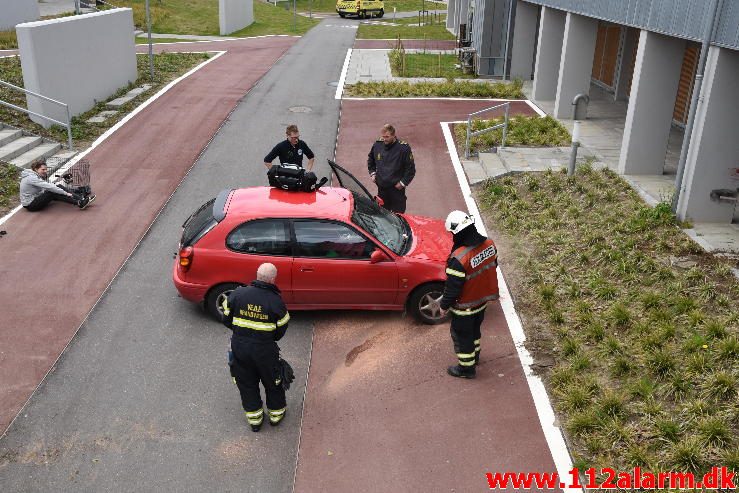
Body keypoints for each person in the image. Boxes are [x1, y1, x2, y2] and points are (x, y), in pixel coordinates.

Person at [221, 263, 290, 432]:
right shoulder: (276, 301)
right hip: (265, 351)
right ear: (273, 279)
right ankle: (276, 416)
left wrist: (241, 333)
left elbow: (226, 317)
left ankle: (255, 421)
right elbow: (280, 330)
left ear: (257, 275)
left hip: (240, 348)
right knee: (273, 383)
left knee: (246, 384)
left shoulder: (238, 294)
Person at [437, 211, 499, 379]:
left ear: (457, 233)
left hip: (464, 307)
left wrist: (443, 306)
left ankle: (466, 369)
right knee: (474, 332)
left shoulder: (458, 259)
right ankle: (475, 357)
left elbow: (452, 289)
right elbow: (493, 266)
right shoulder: (489, 244)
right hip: (482, 302)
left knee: (462, 336)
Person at [367, 123, 416, 213]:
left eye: (387, 137)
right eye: (383, 137)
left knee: (399, 216)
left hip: (396, 189)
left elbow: (410, 169)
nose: (384, 139)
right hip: (382, 189)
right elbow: (371, 159)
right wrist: (372, 173)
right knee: (383, 215)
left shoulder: (403, 149)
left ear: (394, 136)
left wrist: (402, 183)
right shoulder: (377, 145)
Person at [20, 162, 95, 212]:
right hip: (31, 205)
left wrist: (62, 188)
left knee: (57, 187)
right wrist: (65, 193)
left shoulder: (38, 175)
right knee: (52, 192)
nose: (45, 171)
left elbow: (51, 185)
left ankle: (81, 199)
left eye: (46, 169)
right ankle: (79, 203)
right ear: (36, 169)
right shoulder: (31, 178)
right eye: (43, 169)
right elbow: (50, 187)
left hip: (37, 197)